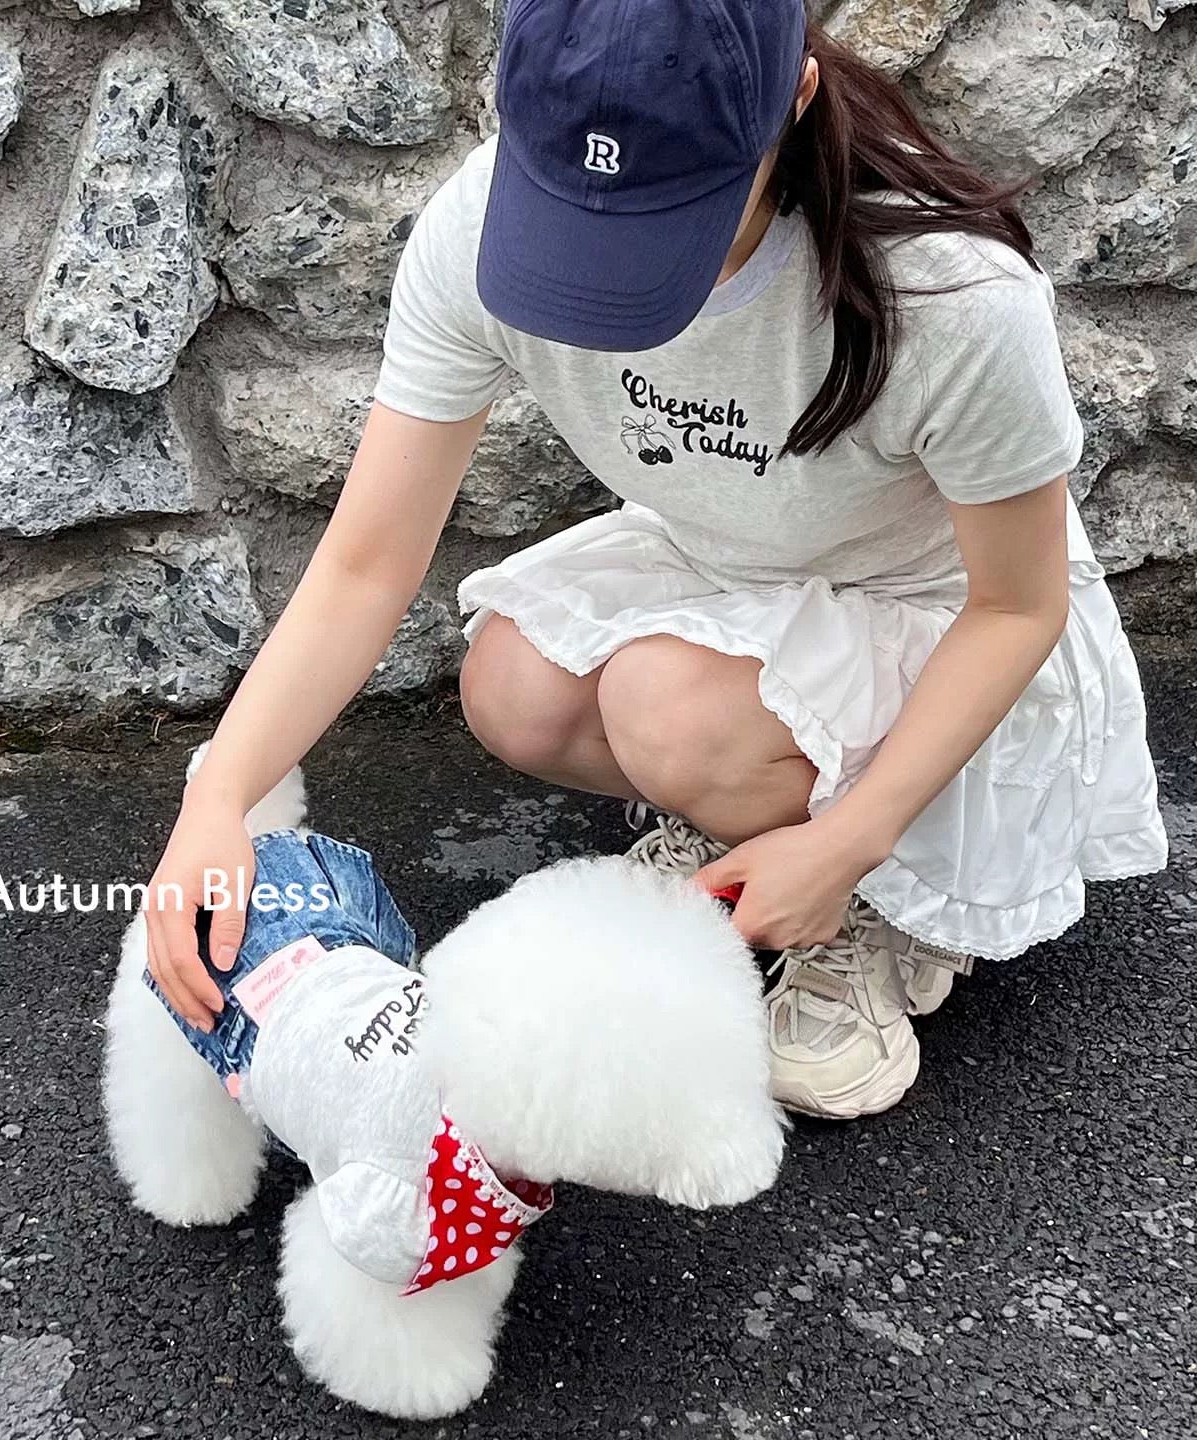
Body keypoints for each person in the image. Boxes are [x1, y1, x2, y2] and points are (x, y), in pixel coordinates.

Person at [143, 0, 1168, 1120]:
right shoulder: (476, 223)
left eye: (669, 212)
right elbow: (366, 564)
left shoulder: (947, 290)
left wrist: (847, 841)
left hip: (943, 617)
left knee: (668, 710)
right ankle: (755, 818)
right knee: (512, 687)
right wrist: (222, 797)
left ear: (796, 98)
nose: (608, 266)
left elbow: (1017, 609)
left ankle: (874, 893)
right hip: (733, 561)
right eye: (578, 211)